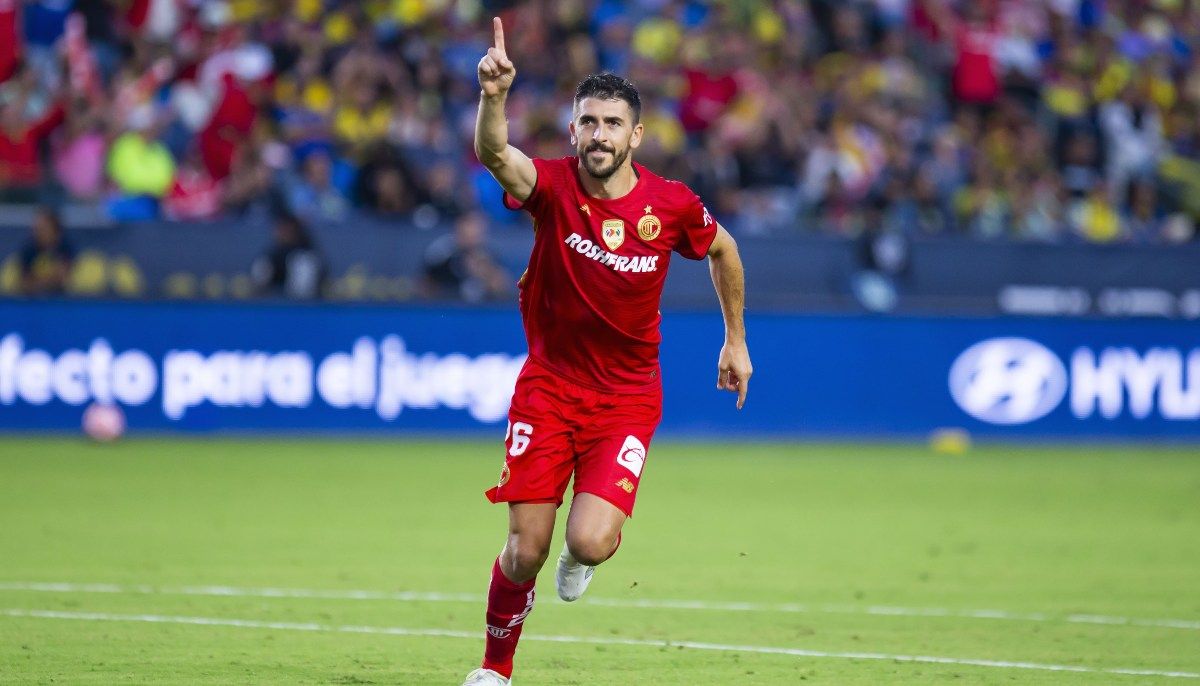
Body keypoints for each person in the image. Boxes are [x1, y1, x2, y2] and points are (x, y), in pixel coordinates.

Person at [462, 18, 752, 686]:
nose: (599, 135)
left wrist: (735, 340)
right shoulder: (552, 188)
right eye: (588, 122)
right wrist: (493, 97)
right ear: (572, 131)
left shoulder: (670, 205)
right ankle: (495, 669)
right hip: (549, 388)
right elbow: (496, 155)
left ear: (635, 136)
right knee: (524, 550)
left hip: (625, 397)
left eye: (612, 124)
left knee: (588, 541)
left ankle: (583, 556)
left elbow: (724, 249)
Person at [250, 212, 327, 299]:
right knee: (262, 264)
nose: (281, 233)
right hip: (271, 301)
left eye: (286, 229)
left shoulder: (307, 256)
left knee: (303, 264)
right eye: (280, 229)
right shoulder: (271, 256)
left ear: (295, 230)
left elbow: (305, 289)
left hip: (302, 303)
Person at [18, 206, 74, 295]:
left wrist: (37, 279)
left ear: (55, 230)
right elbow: (25, 284)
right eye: (36, 229)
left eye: (43, 229)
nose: (37, 232)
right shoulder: (28, 250)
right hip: (33, 300)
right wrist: (50, 278)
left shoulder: (66, 247)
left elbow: (64, 279)